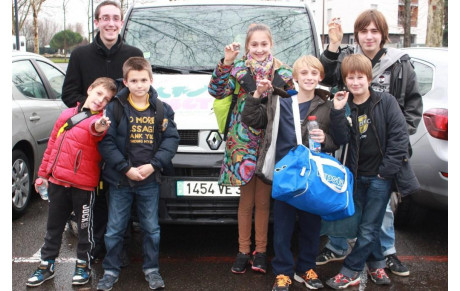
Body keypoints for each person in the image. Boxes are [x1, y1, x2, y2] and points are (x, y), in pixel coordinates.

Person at [317, 9, 423, 277]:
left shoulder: (399, 63)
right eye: (364, 31)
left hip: (383, 149)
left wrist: (397, 134)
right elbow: (324, 76)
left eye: (375, 31)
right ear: (358, 34)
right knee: (345, 197)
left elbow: (412, 103)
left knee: (382, 205)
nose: (369, 36)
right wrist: (332, 44)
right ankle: (338, 244)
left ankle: (386, 253)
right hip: (350, 144)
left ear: (383, 35)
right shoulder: (346, 57)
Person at [242, 55, 339, 290]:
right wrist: (256, 95)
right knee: (283, 227)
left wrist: (325, 139)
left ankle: (305, 268)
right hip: (285, 174)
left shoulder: (326, 106)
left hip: (312, 178)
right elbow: (250, 118)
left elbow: (337, 140)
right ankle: (283, 272)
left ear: (320, 78)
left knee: (311, 225)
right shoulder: (279, 102)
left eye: (314, 73)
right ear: (294, 78)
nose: (309, 77)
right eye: (304, 73)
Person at [208, 23, 295, 274]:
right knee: (246, 201)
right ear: (247, 46)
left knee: (264, 201)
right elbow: (216, 90)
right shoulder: (236, 69)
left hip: (270, 141)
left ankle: (261, 251)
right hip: (242, 142)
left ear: (271, 45)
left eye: (263, 44)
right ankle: (243, 250)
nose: (259, 49)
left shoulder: (285, 72)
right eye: (254, 44)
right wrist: (226, 61)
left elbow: (292, 107)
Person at [61, 0, 144, 264]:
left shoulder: (133, 54)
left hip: (124, 138)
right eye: (104, 18)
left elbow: (141, 92)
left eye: (115, 18)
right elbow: (69, 94)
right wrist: (95, 114)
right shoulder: (80, 55)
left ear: (121, 22)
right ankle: (97, 247)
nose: (110, 23)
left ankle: (122, 245)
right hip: (90, 137)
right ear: (96, 22)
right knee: (94, 196)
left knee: (122, 190)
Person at [325, 54, 414, 289]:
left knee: (368, 227)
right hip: (356, 176)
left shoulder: (386, 102)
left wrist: (385, 172)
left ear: (369, 78)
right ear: (345, 80)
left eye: (360, 77)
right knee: (365, 224)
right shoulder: (347, 106)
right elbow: (341, 138)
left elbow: (399, 138)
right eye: (350, 78)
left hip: (380, 177)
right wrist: (336, 111)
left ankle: (350, 271)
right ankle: (376, 266)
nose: (355, 82)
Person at [96, 57, 179, 291]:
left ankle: (152, 269)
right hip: (121, 180)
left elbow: (171, 141)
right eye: (134, 80)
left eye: (144, 80)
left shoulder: (163, 109)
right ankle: (110, 270)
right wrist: (125, 168)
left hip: (149, 181)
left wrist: (153, 165)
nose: (140, 85)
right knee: (114, 229)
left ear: (151, 80)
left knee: (151, 228)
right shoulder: (114, 108)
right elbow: (106, 143)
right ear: (125, 82)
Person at [26, 77, 117, 287]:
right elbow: (52, 146)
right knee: (53, 229)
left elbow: (96, 131)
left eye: (106, 99)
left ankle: (83, 266)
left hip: (84, 187)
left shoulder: (102, 120)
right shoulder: (67, 115)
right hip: (58, 183)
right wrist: (43, 175)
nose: (100, 100)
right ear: (89, 89)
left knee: (85, 230)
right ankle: (46, 266)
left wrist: (100, 126)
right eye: (98, 94)